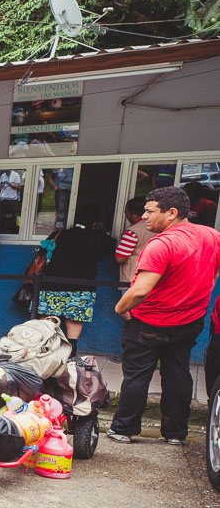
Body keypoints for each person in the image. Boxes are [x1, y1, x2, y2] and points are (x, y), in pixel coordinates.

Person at [109, 187, 220, 446]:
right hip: (189, 322)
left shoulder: (161, 244)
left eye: (150, 211)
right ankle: (175, 435)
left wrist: (120, 309)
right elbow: (213, 274)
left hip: (148, 323)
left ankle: (124, 430)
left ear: (171, 213)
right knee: (178, 373)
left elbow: (140, 291)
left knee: (137, 376)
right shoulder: (212, 236)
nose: (144, 217)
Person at [36, 207, 117, 353]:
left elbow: (44, 250)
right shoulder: (98, 238)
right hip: (82, 284)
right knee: (74, 318)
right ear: (95, 223)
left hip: (53, 281)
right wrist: (101, 230)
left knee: (49, 316)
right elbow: (111, 245)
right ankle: (71, 349)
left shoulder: (59, 234)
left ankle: (42, 348)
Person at [114, 197, 152, 286]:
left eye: (127, 214)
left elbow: (120, 258)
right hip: (152, 279)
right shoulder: (158, 228)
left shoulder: (132, 232)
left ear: (134, 216)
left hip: (133, 280)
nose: (126, 217)